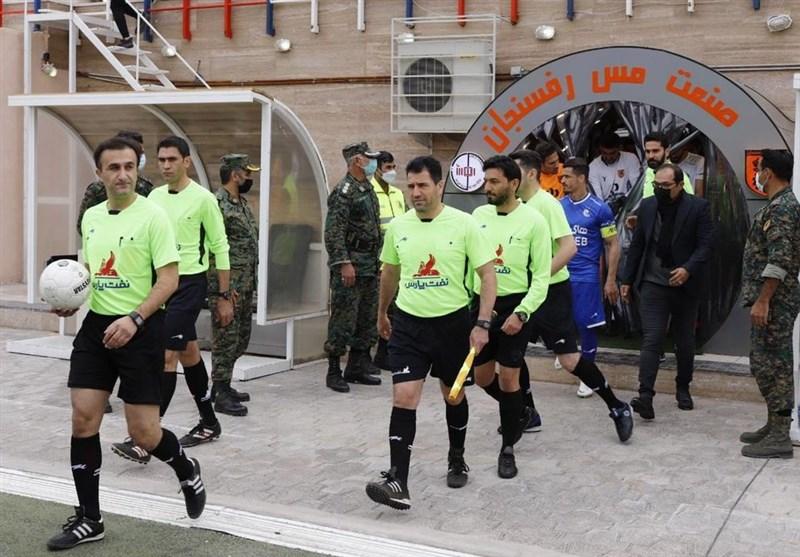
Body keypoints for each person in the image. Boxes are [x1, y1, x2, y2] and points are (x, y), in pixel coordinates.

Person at [46, 137, 205, 551]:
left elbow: (169, 280)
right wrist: (71, 300)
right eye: (114, 168)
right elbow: (92, 271)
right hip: (97, 329)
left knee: (144, 433)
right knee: (83, 419)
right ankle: (90, 518)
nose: (122, 175)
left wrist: (135, 318)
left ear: (137, 169)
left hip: (142, 329)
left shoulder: (154, 216)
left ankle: (185, 466)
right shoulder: (92, 217)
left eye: (129, 167)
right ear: (99, 173)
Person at [365, 156, 496, 510]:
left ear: (440, 186)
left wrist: (482, 323)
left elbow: (487, 275)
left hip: (452, 325)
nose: (415, 192)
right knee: (404, 397)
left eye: (422, 185)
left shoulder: (464, 224)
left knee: (453, 396)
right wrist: (382, 312)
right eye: (410, 186)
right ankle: (398, 480)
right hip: (409, 325)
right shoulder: (399, 227)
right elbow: (390, 273)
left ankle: (457, 457)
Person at [111, 136, 232, 463]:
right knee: (188, 352)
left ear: (186, 162)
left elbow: (220, 247)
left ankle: (146, 439)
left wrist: (224, 296)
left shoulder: (204, 199)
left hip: (189, 284)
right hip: (160, 284)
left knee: (166, 355)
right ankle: (209, 422)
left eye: (172, 160)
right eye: (161, 160)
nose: (165, 165)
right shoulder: (153, 196)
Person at [509, 149, 634, 443]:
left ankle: (617, 406)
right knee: (512, 354)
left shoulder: (550, 206)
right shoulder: (518, 205)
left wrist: (610, 279)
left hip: (554, 288)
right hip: (522, 290)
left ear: (530, 173)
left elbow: (572, 248)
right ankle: (528, 412)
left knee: (569, 358)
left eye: (513, 172)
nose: (563, 180)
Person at [472, 155, 551, 479]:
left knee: (508, 377)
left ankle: (507, 448)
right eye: (485, 181)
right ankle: (519, 410)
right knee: (482, 378)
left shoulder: (534, 221)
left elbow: (542, 277)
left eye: (494, 181)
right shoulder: (478, 216)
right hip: (482, 305)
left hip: (516, 306)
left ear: (514, 183)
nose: (487, 187)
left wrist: (521, 313)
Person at [619, 163, 713, 420]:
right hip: (653, 282)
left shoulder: (698, 207)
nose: (660, 189)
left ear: (680, 185)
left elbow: (706, 245)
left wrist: (688, 269)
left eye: (666, 186)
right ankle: (645, 396)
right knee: (652, 338)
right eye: (656, 185)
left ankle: (683, 388)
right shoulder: (648, 206)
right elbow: (638, 244)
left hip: (685, 285)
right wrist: (627, 279)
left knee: (684, 341)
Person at [739, 150, 799, 459]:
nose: (757, 174)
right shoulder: (779, 205)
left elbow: (780, 259)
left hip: (775, 301)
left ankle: (780, 435)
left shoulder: (781, 209)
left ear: (769, 173)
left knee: (774, 366)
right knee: (766, 364)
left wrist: (763, 300)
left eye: (759, 168)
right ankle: (774, 424)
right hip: (774, 300)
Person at [323, 142, 383, 392]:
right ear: (357, 160)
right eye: (369, 158)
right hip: (352, 265)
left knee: (366, 317)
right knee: (343, 318)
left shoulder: (366, 187)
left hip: (369, 263)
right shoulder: (344, 192)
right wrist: (343, 263)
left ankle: (356, 366)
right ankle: (333, 370)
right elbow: (333, 232)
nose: (373, 162)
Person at [561, 158, 621, 398]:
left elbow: (613, 244)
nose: (563, 180)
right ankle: (565, 352)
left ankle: (587, 376)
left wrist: (610, 279)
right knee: (558, 319)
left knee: (585, 324)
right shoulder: (559, 206)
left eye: (567, 176)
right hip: (560, 272)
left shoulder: (600, 209)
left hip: (586, 275)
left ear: (581, 178)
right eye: (562, 176)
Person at [208, 154, 261, 417]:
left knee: (240, 340)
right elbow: (213, 251)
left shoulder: (241, 203)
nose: (250, 178)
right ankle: (219, 392)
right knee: (225, 340)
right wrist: (223, 292)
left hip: (245, 283)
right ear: (234, 174)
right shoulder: (217, 205)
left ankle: (224, 385)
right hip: (229, 288)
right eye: (247, 173)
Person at [76, 130, 153, 237]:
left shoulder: (146, 188)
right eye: (114, 168)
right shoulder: (97, 191)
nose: (122, 176)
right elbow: (83, 227)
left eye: (142, 153)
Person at [370, 150, 407, 370]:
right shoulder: (369, 192)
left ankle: (386, 353)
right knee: (379, 306)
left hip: (398, 258)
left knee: (395, 308)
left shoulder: (397, 193)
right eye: (387, 168)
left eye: (394, 167)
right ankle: (373, 354)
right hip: (377, 259)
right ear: (377, 169)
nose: (392, 171)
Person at [588, 131, 641, 211]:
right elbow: (597, 194)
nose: (608, 157)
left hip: (629, 204)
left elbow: (636, 186)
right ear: (600, 150)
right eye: (604, 153)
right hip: (606, 207)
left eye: (612, 153)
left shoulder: (631, 159)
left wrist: (624, 200)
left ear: (620, 148)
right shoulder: (593, 166)